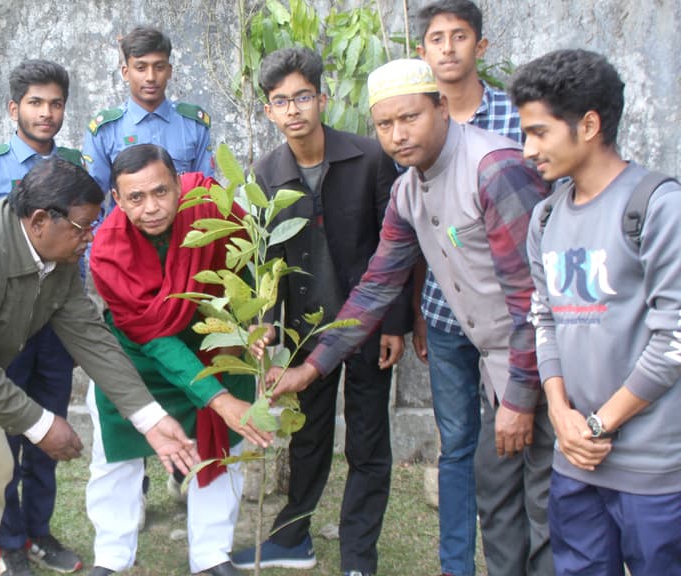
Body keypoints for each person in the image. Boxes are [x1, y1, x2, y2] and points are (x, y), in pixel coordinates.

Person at [266, 58, 554, 576]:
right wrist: (311, 369)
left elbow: (535, 300)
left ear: (441, 107)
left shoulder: (495, 169)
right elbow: (376, 286)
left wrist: (519, 396)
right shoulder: (408, 191)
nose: (397, 136)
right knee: (501, 499)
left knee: (548, 508)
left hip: (544, 370)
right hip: (498, 365)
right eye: (384, 125)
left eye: (410, 118)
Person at [0, 157, 199, 576]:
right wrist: (42, 424)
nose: (91, 237)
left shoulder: (58, 254)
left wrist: (150, 418)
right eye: (84, 226)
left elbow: (89, 334)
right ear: (42, 219)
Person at [228, 47, 408, 576]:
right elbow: (266, 261)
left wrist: (394, 323)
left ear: (322, 98)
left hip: (367, 325)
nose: (293, 110)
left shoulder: (370, 157)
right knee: (308, 437)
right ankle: (292, 537)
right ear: (268, 110)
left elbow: (393, 250)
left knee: (369, 440)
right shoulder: (264, 173)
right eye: (280, 101)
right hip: (307, 331)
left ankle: (358, 556)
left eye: (302, 96)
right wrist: (263, 322)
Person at [513, 48, 681, 575]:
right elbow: (545, 321)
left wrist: (597, 425)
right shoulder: (544, 219)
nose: (526, 149)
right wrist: (562, 417)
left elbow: (674, 338)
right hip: (575, 463)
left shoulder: (657, 205)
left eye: (539, 132)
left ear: (588, 124)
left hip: (653, 469)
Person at [85, 144, 271, 576]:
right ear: (117, 198)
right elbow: (155, 338)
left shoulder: (209, 205)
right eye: (136, 198)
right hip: (140, 358)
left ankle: (211, 554)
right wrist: (219, 397)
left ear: (179, 183)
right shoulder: (107, 250)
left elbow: (249, 264)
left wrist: (256, 322)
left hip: (216, 343)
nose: (151, 208)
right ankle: (111, 557)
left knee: (223, 446)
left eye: (161, 192)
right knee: (116, 454)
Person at [411, 2, 524, 574]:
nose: (449, 48)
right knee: (456, 443)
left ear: (480, 46)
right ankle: (456, 563)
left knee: (514, 444)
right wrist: (416, 314)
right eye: (437, 38)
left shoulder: (514, 118)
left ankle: (515, 557)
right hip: (444, 313)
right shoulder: (415, 118)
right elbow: (409, 232)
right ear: (422, 52)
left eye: (460, 36)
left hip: (512, 322)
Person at [0, 59, 84, 576]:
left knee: (51, 429)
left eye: (56, 103)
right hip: (6, 327)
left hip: (56, 323)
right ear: (14, 108)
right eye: (35, 102)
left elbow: (84, 237)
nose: (46, 113)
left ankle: (40, 532)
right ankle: (7, 541)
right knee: (6, 435)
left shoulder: (77, 166)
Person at [82, 26, 214, 197]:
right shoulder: (105, 131)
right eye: (141, 68)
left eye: (159, 67)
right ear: (126, 72)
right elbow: (92, 202)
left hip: (185, 222)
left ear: (169, 71)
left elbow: (206, 191)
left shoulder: (193, 125)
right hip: (128, 223)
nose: (151, 77)